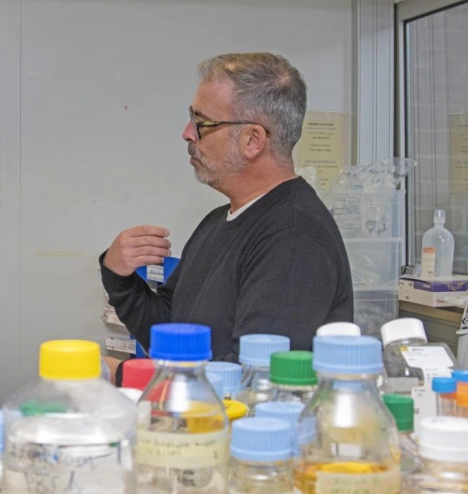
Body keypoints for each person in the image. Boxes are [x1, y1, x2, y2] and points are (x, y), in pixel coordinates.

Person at [100, 53, 353, 363]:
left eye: (202, 123)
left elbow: (252, 375)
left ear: (252, 140)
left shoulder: (293, 238)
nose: (187, 133)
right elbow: (171, 329)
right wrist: (119, 277)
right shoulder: (219, 221)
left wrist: (128, 375)